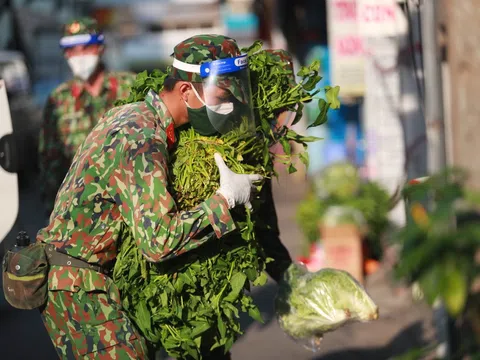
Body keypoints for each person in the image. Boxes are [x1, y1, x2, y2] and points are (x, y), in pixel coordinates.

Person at [37, 34, 271, 360]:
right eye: (222, 91)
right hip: (78, 287)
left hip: (86, 280)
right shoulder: (141, 136)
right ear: (187, 90)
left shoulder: (135, 115)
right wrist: (225, 200)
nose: (228, 99)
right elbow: (159, 241)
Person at [38, 17, 136, 216]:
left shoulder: (129, 86)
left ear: (100, 48)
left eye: (85, 48)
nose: (78, 56)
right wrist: (54, 215)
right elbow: (49, 161)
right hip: (81, 211)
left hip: (129, 203)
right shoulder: (59, 100)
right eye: (71, 50)